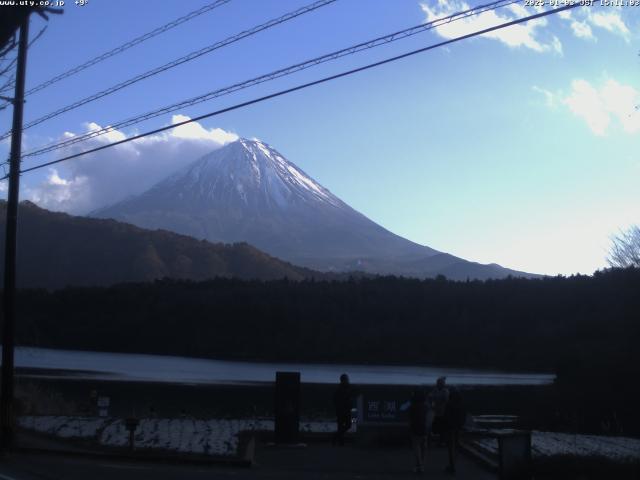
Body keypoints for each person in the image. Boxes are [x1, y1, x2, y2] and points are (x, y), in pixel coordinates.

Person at [443, 386, 466, 474]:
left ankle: (452, 465)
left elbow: (446, 416)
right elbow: (464, 416)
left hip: (450, 428)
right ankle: (453, 464)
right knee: (456, 446)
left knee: (451, 447)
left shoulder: (449, 404)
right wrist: (461, 425)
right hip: (458, 427)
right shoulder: (462, 404)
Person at [409, 387, 428, 473]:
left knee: (417, 447)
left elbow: (410, 417)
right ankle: (420, 465)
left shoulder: (413, 406)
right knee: (423, 447)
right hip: (424, 427)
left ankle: (419, 465)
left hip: (415, 427)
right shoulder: (425, 406)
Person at [332, 373, 353, 446]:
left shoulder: (340, 388)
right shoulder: (344, 389)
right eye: (347, 379)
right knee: (347, 425)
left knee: (342, 426)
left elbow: (335, 400)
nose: (348, 380)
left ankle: (337, 439)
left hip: (341, 410)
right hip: (344, 410)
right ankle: (338, 439)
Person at [429, 376, 449, 446]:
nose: (437, 384)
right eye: (437, 383)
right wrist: (432, 403)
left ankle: (442, 441)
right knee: (435, 427)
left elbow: (446, 400)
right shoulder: (435, 390)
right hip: (436, 412)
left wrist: (435, 398)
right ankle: (438, 441)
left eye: (439, 383)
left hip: (443, 412)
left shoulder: (445, 391)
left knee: (442, 428)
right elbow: (431, 396)